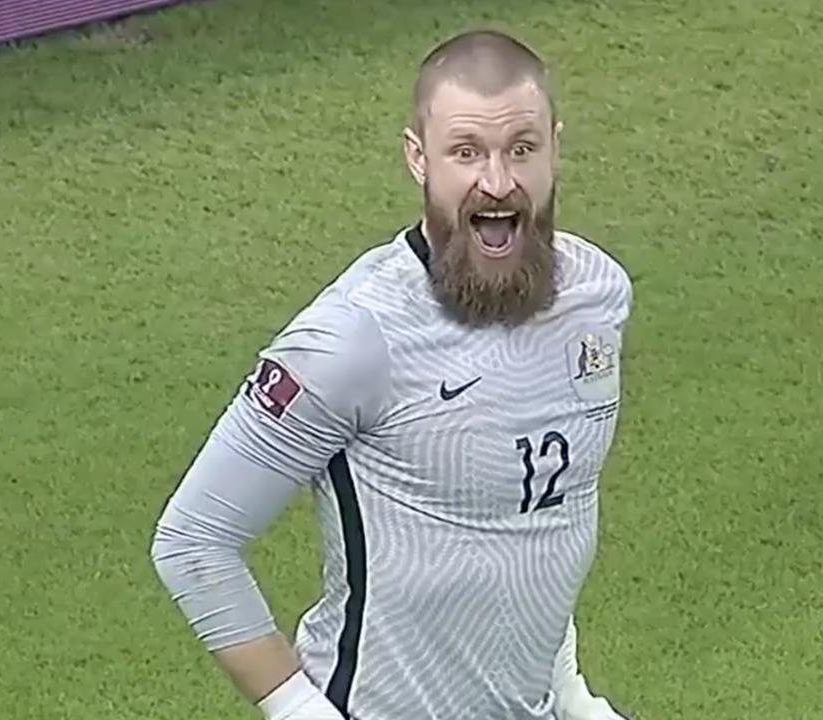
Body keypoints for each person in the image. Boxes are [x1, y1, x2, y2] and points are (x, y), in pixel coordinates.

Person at [150, 29, 634, 720]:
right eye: (465, 152)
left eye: (520, 149)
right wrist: (303, 714)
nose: (497, 181)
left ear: (555, 148)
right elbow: (193, 542)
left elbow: (543, 526)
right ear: (418, 159)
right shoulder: (353, 338)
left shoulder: (598, 298)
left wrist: (572, 698)